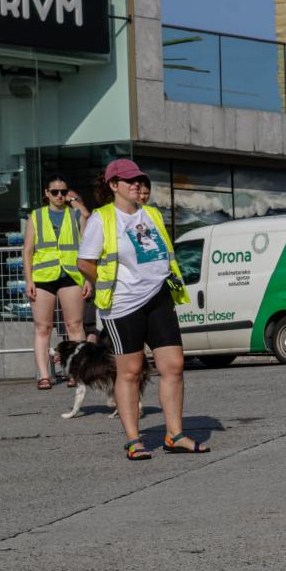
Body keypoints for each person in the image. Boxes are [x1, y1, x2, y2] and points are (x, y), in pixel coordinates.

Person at [76, 159, 207, 459]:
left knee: (173, 365)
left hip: (159, 295)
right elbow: (84, 262)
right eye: (129, 180)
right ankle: (134, 439)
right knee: (131, 371)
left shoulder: (152, 214)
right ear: (113, 185)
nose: (137, 184)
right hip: (123, 305)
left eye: (139, 180)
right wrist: (109, 285)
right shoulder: (102, 218)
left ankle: (175, 434)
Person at [24, 176, 89, 389]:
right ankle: (44, 376)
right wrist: (29, 280)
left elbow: (88, 221)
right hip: (43, 277)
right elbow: (28, 251)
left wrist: (75, 200)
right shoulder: (36, 216)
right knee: (43, 327)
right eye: (55, 192)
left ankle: (76, 372)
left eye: (63, 191)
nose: (59, 195)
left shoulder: (75, 213)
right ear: (46, 193)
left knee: (74, 325)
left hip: (71, 274)